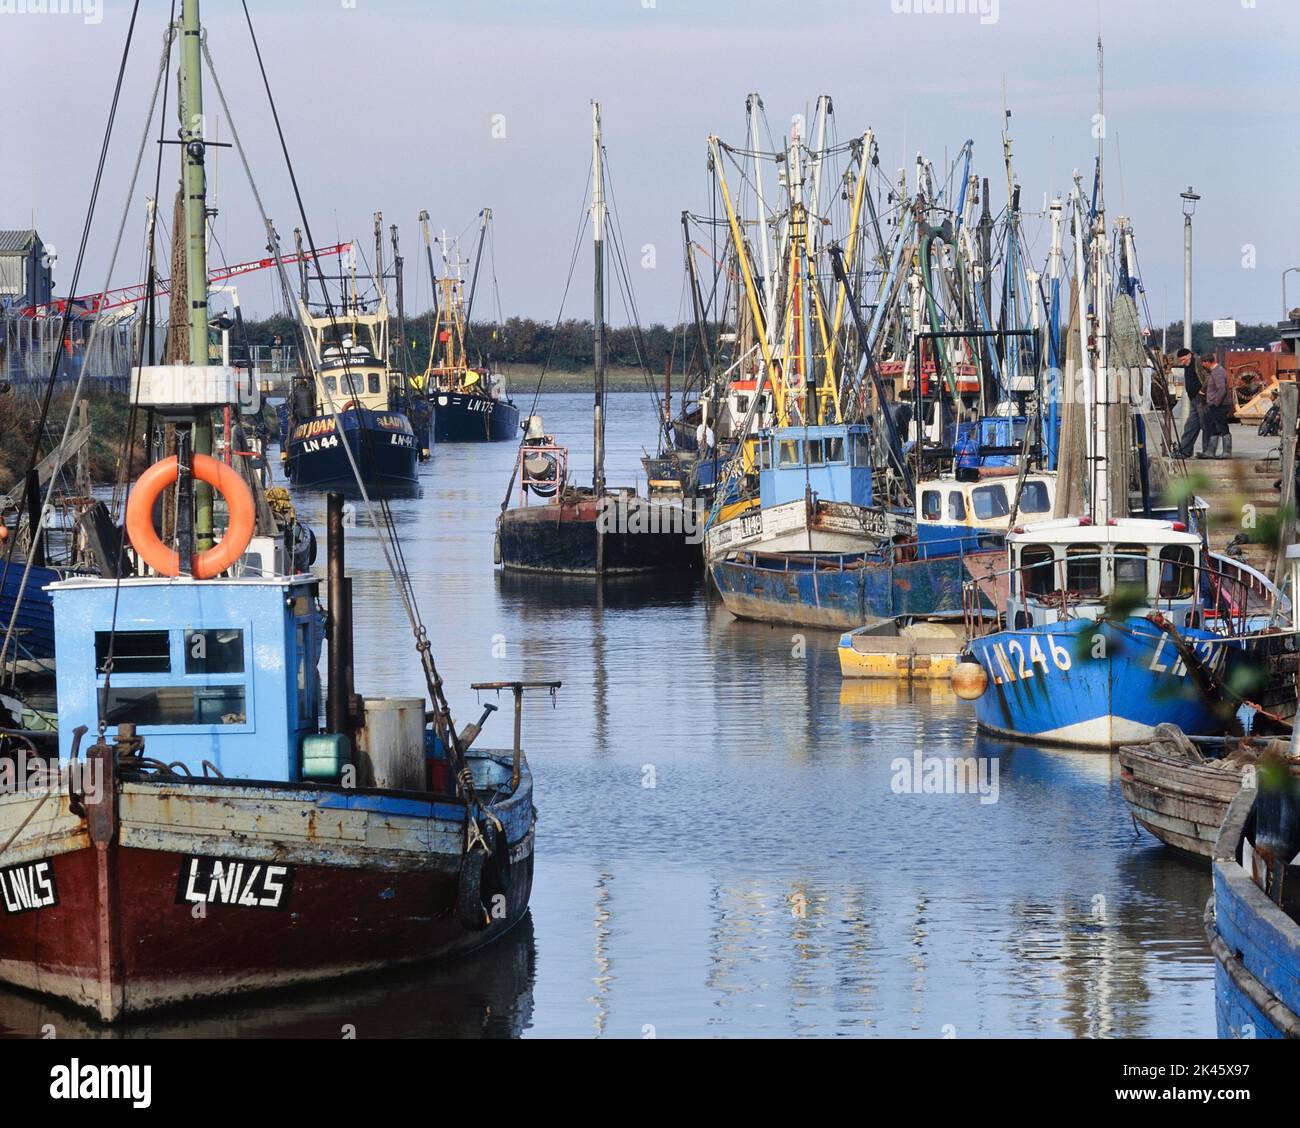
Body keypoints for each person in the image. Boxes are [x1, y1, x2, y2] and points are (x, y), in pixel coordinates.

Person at [1175, 347, 1209, 458]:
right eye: (1180, 360)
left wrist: (1202, 391)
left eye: (1183, 359)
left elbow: (1208, 377)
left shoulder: (1197, 362)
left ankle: (1207, 451)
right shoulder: (1187, 365)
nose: (1182, 362)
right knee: (1191, 426)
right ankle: (1185, 451)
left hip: (1202, 399)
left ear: (1190, 355)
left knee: (1206, 425)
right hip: (1194, 400)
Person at [1203, 353, 1232, 459]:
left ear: (1207, 362)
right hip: (1216, 404)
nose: (1203, 366)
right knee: (1213, 427)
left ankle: (1227, 452)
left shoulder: (1218, 372)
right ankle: (1211, 451)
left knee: (1222, 426)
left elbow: (1222, 389)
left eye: (1203, 363)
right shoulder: (1215, 371)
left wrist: (1215, 403)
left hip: (1219, 405)